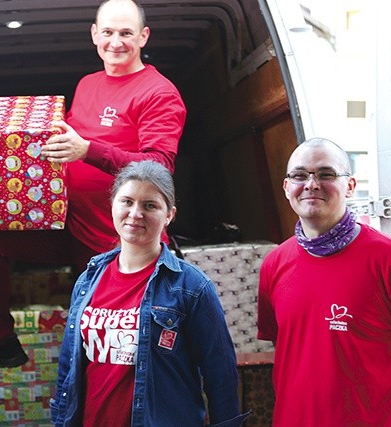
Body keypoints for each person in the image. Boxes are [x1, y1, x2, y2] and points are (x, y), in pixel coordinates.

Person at [0, 0, 187, 367]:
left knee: (115, 353)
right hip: (68, 225)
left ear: (143, 37)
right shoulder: (87, 84)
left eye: (127, 33)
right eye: (109, 32)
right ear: (94, 34)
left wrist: (88, 150)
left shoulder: (158, 92)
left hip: (118, 241)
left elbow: (159, 165)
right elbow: (60, 144)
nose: (116, 42)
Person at [52, 160, 247, 426]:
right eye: (127, 201)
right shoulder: (89, 279)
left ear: (169, 215)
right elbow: (69, 366)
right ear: (112, 206)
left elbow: (221, 376)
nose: (135, 214)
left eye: (150, 205)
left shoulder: (191, 287)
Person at [257, 137, 391, 426]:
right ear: (286, 187)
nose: (311, 184)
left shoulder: (384, 258)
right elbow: (285, 350)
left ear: (350, 186)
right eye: (299, 175)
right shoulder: (274, 264)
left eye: (326, 174)